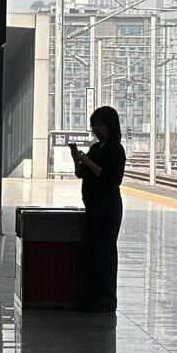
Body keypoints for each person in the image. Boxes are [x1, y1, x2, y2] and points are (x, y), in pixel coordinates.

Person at [71, 105, 126, 312]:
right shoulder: (96, 148)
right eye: (94, 125)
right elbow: (81, 173)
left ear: (109, 125)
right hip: (92, 205)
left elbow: (111, 177)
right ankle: (93, 296)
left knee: (106, 252)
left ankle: (107, 298)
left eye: (99, 125)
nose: (95, 129)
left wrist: (87, 161)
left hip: (108, 206)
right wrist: (76, 158)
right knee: (93, 251)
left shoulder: (115, 149)